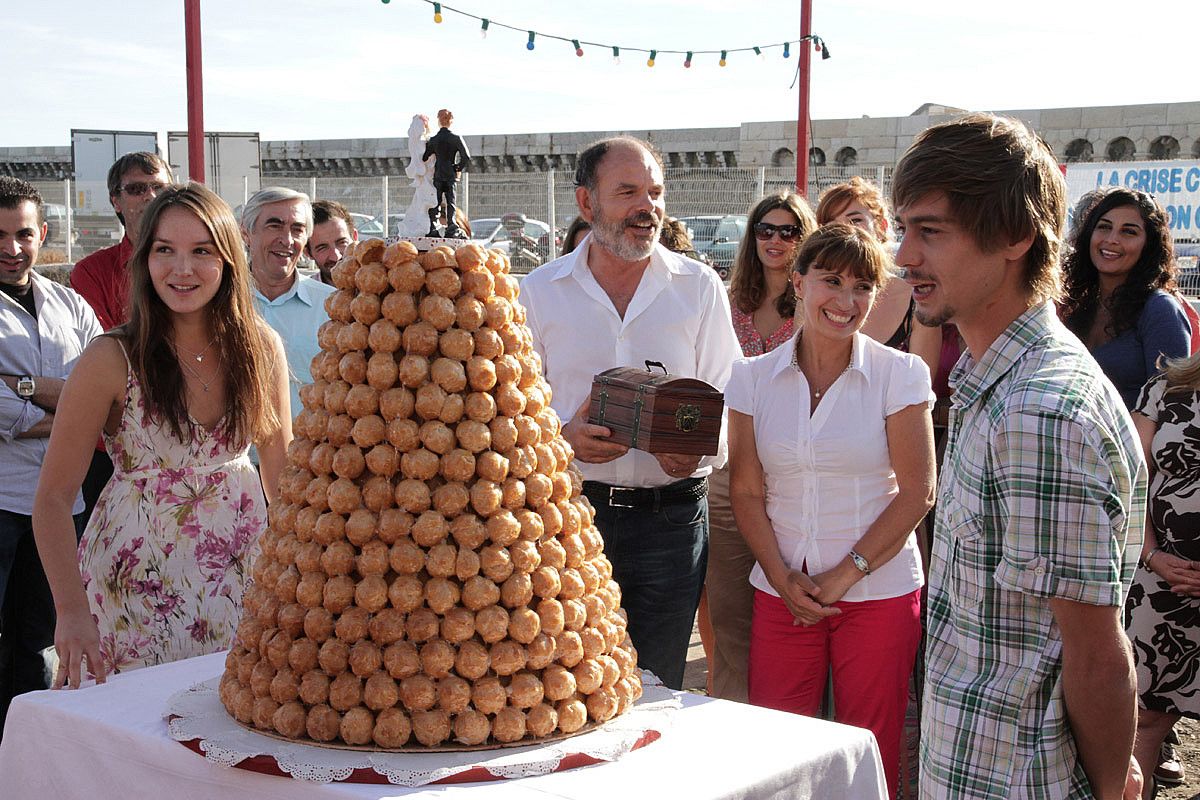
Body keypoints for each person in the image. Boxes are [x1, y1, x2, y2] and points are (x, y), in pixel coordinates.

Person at [895, 113, 1147, 799]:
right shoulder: (998, 382)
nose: (903, 256)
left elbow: (1096, 656)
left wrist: (1106, 784)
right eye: (903, 229)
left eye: (930, 231)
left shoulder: (1037, 411)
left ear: (1014, 236)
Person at [33, 182, 291, 687]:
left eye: (202, 251)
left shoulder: (261, 347)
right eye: (164, 250)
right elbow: (53, 499)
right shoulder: (109, 358)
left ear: (229, 259)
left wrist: (298, 583)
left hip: (244, 581)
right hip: (128, 594)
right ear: (144, 259)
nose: (182, 269)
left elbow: (281, 479)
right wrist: (70, 611)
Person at [521, 136, 740, 690]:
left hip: (671, 521)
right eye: (628, 192)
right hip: (568, 518)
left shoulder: (699, 287)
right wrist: (564, 438)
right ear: (587, 203)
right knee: (563, 684)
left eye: (656, 192)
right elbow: (511, 408)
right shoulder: (538, 291)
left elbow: (730, 400)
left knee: (659, 685)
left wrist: (691, 450)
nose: (649, 208)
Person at [727, 223, 935, 798]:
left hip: (879, 592)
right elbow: (746, 490)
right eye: (831, 281)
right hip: (783, 592)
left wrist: (842, 578)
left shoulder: (901, 374)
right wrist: (782, 577)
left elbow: (919, 492)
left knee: (872, 745)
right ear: (798, 282)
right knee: (776, 747)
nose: (846, 302)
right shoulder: (750, 378)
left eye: (863, 287)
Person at [703, 189, 816, 704]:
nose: (775, 240)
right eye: (765, 230)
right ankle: (733, 713)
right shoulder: (728, 304)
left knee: (794, 608)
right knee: (728, 612)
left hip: (795, 478)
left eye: (788, 231)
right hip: (731, 474)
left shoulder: (820, 305)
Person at [0, 177, 103, 737]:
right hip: (2, 498)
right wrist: (65, 404)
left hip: (62, 504)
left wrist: (16, 387)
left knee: (41, 642)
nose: (11, 248)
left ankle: (27, 747)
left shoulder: (70, 304)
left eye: (22, 234)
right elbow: (80, 400)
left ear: (43, 234)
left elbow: (103, 391)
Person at [69, 152, 174, 522]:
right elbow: (110, 356)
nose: (149, 196)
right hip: (114, 449)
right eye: (135, 189)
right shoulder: (92, 271)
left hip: (184, 444)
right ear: (116, 200)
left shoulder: (193, 265)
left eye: (158, 187)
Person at [1127, 351, 1200, 797]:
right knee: (1144, 715)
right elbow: (1130, 480)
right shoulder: (1166, 388)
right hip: (1160, 582)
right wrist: (1150, 554)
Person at [1061, 187, 1191, 409]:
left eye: (1128, 232)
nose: (1112, 239)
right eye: (1104, 227)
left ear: (1148, 245)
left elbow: (1172, 407)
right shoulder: (1072, 305)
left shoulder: (1160, 310)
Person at [241, 187, 334, 424]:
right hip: (237, 458)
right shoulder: (219, 304)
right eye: (274, 226)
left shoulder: (332, 309)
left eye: (297, 229)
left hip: (312, 456)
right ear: (246, 234)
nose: (287, 240)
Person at [422, 109, 470, 238]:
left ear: (438, 121)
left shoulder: (434, 139)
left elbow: (425, 156)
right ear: (451, 121)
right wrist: (457, 168)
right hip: (450, 174)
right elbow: (466, 157)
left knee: (436, 202)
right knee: (451, 202)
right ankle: (451, 226)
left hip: (438, 174)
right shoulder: (455, 138)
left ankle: (432, 226)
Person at [306, 199, 358, 285]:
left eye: (342, 243)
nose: (336, 257)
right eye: (322, 248)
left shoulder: (384, 285)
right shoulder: (304, 294)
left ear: (355, 237)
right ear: (307, 252)